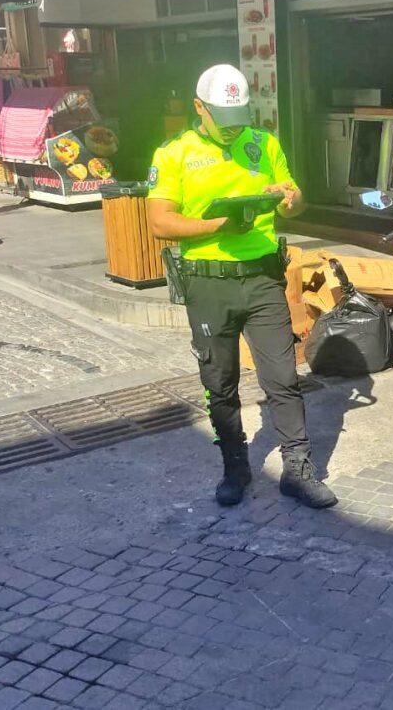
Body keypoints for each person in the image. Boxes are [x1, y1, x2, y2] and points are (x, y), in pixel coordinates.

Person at [146, 64, 337, 510]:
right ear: (200, 108)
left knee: (284, 379)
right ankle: (235, 467)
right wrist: (221, 225)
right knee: (220, 383)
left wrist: (292, 199)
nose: (233, 131)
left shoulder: (263, 142)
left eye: (238, 119)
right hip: (208, 284)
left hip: (263, 279)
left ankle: (298, 470)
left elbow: (294, 200)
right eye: (223, 121)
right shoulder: (173, 153)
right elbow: (160, 222)